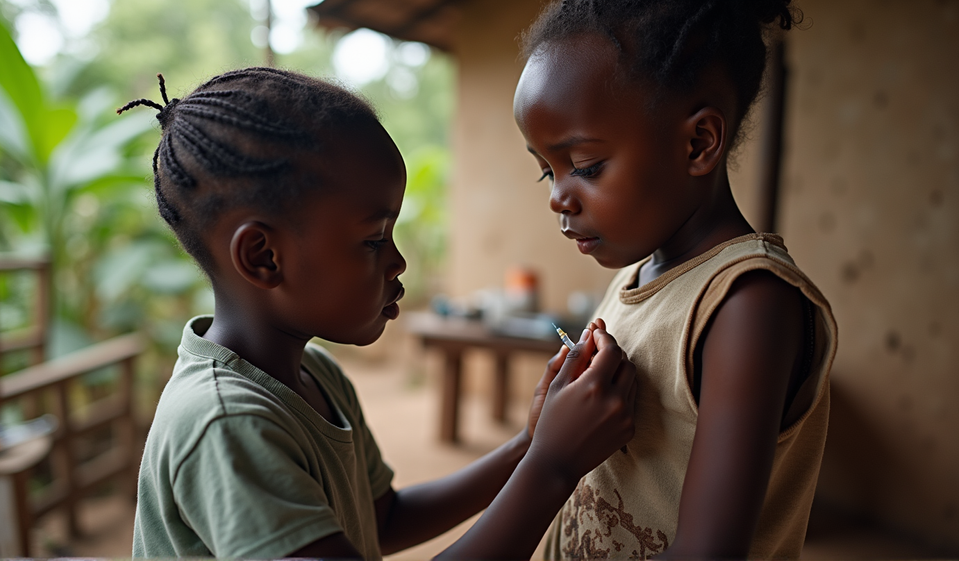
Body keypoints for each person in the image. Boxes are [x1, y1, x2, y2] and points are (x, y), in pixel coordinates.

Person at [121, 67, 636, 560]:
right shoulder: (225, 426)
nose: (398, 261)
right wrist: (552, 466)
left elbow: (382, 520)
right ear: (263, 257)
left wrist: (528, 444)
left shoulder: (312, 374)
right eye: (372, 239)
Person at [513, 0, 837, 558]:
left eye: (585, 166)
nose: (558, 197)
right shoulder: (637, 274)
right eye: (548, 168)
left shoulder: (746, 303)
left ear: (698, 143)